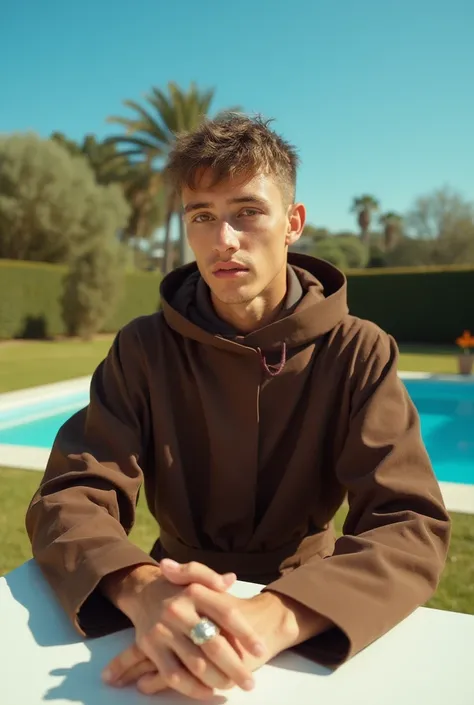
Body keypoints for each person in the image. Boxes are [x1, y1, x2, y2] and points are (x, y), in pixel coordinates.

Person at [26, 114, 450, 701]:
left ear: (292, 223)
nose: (223, 239)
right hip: (166, 599)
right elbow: (71, 494)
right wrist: (144, 589)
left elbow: (408, 523)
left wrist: (273, 617)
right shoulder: (142, 348)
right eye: (202, 215)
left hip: (313, 611)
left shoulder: (359, 351)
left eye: (247, 211)